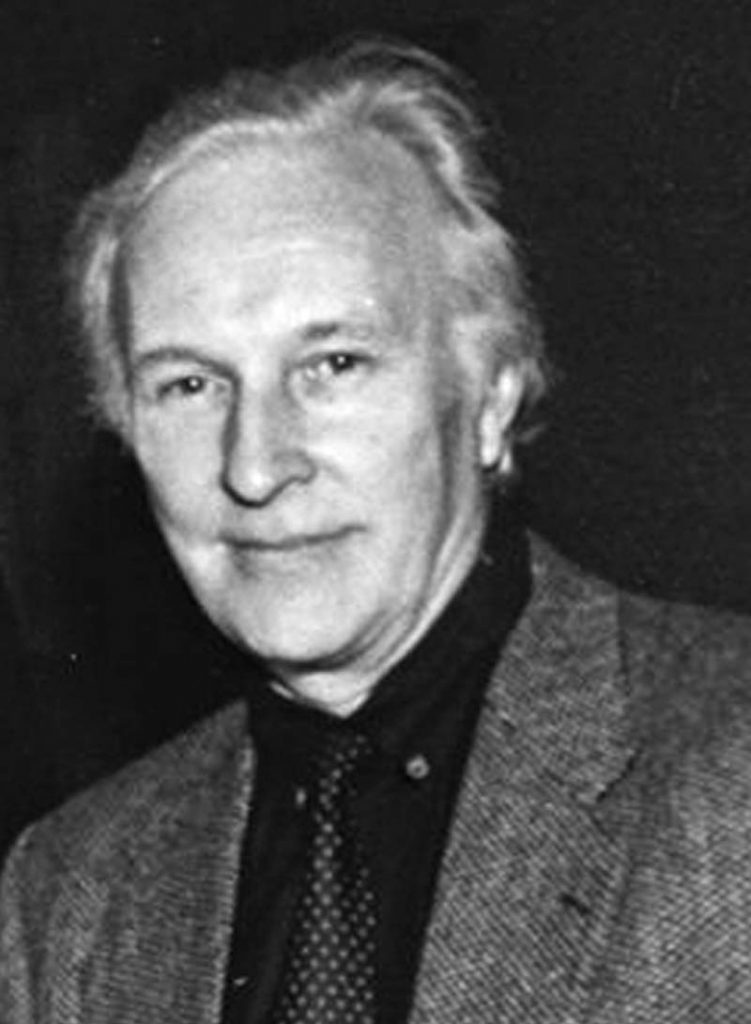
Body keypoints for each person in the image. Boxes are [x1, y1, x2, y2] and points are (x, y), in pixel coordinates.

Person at [3, 38, 751, 1024]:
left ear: (490, 394)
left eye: (334, 365)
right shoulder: (69, 896)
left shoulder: (727, 769)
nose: (254, 466)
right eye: (189, 385)